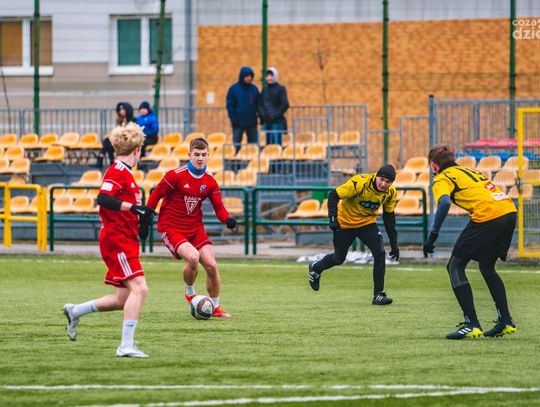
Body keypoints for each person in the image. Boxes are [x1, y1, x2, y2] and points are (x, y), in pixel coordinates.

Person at [63, 123, 155, 358]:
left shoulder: (127, 174)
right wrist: (133, 207)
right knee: (140, 289)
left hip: (126, 239)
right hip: (117, 240)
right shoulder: (117, 171)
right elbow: (103, 198)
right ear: (137, 150)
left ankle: (75, 311)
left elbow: (124, 207)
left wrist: (141, 221)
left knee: (122, 299)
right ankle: (126, 345)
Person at [423, 144, 518, 340]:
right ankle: (506, 320)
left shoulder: (442, 178)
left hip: (488, 216)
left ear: (433, 165)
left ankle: (471, 324)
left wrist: (433, 236)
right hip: (508, 211)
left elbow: (444, 202)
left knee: (454, 267)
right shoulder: (469, 170)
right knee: (487, 267)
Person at [144, 137, 237, 318]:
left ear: (208, 156)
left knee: (211, 265)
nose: (200, 158)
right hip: (171, 227)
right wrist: (146, 218)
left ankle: (215, 307)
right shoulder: (175, 175)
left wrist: (227, 220)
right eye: (196, 154)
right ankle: (189, 292)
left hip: (195, 228)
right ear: (189, 155)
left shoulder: (210, 181)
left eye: (203, 154)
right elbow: (156, 195)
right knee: (193, 258)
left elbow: (219, 208)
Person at [308, 165, 400, 305]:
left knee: (380, 253)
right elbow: (333, 195)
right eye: (381, 179)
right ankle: (316, 268)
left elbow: (389, 218)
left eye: (388, 182)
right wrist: (333, 219)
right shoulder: (359, 183)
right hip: (345, 223)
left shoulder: (391, 192)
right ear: (376, 176)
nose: (383, 184)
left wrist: (394, 244)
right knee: (339, 258)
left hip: (367, 223)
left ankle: (378, 295)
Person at [226, 66, 260, 152]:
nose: (249, 78)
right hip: (238, 123)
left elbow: (259, 103)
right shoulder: (234, 89)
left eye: (250, 76)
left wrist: (259, 116)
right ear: (242, 76)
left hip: (252, 122)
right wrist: (234, 119)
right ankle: (235, 160)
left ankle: (252, 160)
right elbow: (230, 106)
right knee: (236, 145)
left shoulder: (254, 89)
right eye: (247, 76)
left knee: (253, 146)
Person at [98, 102, 135, 168]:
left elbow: (129, 132)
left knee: (108, 141)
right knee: (108, 142)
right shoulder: (120, 120)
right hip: (120, 141)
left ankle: (102, 157)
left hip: (128, 142)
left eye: (123, 110)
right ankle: (110, 161)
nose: (121, 111)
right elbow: (118, 130)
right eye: (120, 110)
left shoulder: (133, 120)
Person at [258, 67, 289, 145]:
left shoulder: (281, 89)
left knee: (276, 143)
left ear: (275, 76)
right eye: (267, 76)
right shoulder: (264, 89)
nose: (269, 78)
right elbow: (260, 103)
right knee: (268, 144)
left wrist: (275, 115)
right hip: (267, 121)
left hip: (277, 121)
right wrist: (263, 115)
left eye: (271, 76)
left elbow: (285, 104)